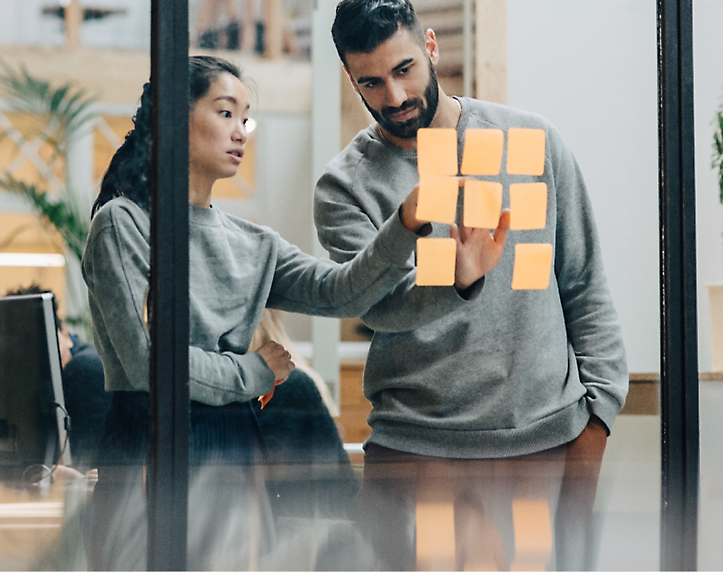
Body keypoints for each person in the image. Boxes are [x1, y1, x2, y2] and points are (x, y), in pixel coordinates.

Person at [81, 56, 511, 569]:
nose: (241, 131)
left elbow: (342, 293)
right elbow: (150, 366)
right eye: (225, 113)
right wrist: (257, 371)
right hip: (147, 449)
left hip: (234, 447)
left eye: (245, 117)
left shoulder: (252, 242)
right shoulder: (122, 224)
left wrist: (409, 227)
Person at [314, 0, 629, 570]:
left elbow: (584, 286)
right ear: (350, 80)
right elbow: (378, 307)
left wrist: (597, 424)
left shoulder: (529, 143)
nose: (397, 95)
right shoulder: (344, 188)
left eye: (405, 69)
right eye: (372, 83)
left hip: (547, 448)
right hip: (415, 455)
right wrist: (454, 283)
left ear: (430, 47)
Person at [3, 284, 110, 473]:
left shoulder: (85, 369)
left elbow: (80, 464)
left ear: (66, 335)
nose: (36, 353)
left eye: (39, 340)